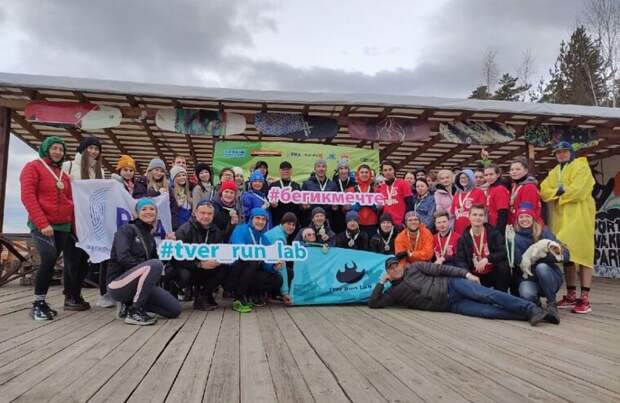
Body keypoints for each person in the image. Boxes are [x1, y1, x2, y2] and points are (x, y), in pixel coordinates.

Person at [368, 258, 548, 326]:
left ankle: (530, 308)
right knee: (487, 312)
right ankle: (529, 315)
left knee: (486, 295)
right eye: (391, 268)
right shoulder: (393, 292)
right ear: (388, 272)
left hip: (452, 285)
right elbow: (374, 304)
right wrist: (381, 282)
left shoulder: (415, 267)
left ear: (401, 265)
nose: (395, 269)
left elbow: (443, 270)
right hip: (450, 305)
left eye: (396, 265)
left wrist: (467, 274)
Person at [20, 137, 76, 320]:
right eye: (54, 148)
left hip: (63, 226)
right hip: (42, 225)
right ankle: (37, 303)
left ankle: (42, 302)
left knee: (51, 262)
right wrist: (42, 223)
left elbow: (70, 200)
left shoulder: (64, 175)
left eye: (61, 149)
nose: (58, 152)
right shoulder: (33, 167)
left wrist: (72, 223)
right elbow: (28, 197)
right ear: (45, 149)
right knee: (49, 257)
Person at [540, 141, 596, 314]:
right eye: (558, 153)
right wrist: (560, 191)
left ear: (571, 152)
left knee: (584, 255)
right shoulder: (554, 171)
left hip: (580, 216)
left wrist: (558, 193)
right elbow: (544, 191)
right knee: (567, 254)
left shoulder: (582, 166)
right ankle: (571, 294)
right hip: (562, 217)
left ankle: (585, 297)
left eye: (564, 152)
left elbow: (579, 190)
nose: (561, 155)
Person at [107, 198, 181, 325]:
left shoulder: (149, 236)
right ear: (136, 213)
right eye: (144, 209)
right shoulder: (126, 230)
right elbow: (123, 257)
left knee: (174, 310)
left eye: (152, 209)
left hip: (139, 284)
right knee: (154, 264)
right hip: (118, 284)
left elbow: (158, 263)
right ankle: (134, 311)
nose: (148, 212)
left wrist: (169, 246)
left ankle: (129, 306)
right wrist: (146, 267)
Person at [63, 136, 108, 311]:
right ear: (83, 148)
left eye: (97, 149)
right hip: (73, 219)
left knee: (84, 260)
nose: (94, 152)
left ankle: (77, 293)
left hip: (91, 221)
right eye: (91, 148)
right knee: (71, 259)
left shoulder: (100, 172)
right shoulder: (69, 166)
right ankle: (69, 295)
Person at [511, 203, 569, 324]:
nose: (524, 219)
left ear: (533, 218)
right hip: (530, 278)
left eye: (527, 216)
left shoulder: (544, 233)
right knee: (526, 293)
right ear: (517, 220)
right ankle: (537, 306)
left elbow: (566, 254)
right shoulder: (514, 238)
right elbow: (517, 264)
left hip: (549, 276)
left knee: (541, 267)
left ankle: (552, 304)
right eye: (521, 217)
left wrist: (540, 259)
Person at [169, 200, 228, 311]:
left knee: (223, 268)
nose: (206, 216)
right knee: (184, 274)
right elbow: (176, 258)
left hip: (206, 266)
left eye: (209, 213)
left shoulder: (216, 231)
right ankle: (174, 289)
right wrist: (199, 264)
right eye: (202, 213)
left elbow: (220, 251)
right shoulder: (184, 230)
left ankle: (203, 295)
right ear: (195, 213)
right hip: (187, 266)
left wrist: (218, 260)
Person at [228, 208, 284, 313]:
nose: (260, 221)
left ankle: (251, 294)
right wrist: (254, 253)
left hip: (250, 272)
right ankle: (238, 299)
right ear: (251, 219)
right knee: (252, 260)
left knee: (277, 279)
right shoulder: (241, 229)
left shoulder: (263, 238)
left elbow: (269, 258)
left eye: (263, 219)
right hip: (234, 271)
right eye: (257, 218)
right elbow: (238, 246)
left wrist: (274, 266)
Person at [455, 204, 511, 292]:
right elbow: (460, 261)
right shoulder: (463, 239)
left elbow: (503, 252)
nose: (478, 218)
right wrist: (468, 274)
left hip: (492, 272)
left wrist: (487, 259)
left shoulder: (494, 233)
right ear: (469, 216)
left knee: (503, 266)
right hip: (475, 275)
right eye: (474, 215)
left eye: (481, 215)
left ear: (485, 217)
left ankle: (501, 296)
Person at [264, 212, 298, 305]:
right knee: (283, 274)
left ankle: (274, 294)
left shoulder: (279, 232)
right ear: (282, 223)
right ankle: (268, 295)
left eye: (293, 225)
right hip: (263, 267)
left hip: (267, 264)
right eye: (288, 224)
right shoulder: (279, 238)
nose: (291, 227)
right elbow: (281, 265)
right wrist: (285, 293)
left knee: (289, 272)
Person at [375, 159, 414, 227]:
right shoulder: (380, 187)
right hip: (386, 224)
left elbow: (410, 204)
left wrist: (405, 221)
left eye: (390, 169)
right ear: (382, 172)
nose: (388, 172)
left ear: (394, 170)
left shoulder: (403, 183)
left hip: (400, 223)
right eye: (385, 170)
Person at [346, 164, 379, 237]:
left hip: (372, 224)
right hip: (356, 223)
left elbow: (381, 208)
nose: (364, 174)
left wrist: (373, 206)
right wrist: (356, 206)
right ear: (358, 174)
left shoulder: (376, 190)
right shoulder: (351, 190)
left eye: (366, 172)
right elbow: (345, 208)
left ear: (370, 174)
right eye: (362, 172)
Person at [451, 169, 486, 235]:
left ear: (471, 178)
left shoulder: (479, 192)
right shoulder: (457, 194)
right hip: (458, 230)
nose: (463, 179)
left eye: (466, 177)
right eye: (461, 178)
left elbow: (483, 211)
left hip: (473, 230)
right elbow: (452, 213)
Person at [268, 161, 302, 230]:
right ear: (280, 171)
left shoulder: (296, 186)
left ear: (291, 171)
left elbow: (300, 205)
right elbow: (268, 202)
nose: (286, 171)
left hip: (293, 221)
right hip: (277, 220)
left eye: (288, 169)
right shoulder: (273, 185)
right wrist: (271, 204)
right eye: (283, 169)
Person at [509, 156, 542, 224]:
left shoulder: (529, 187)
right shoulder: (516, 186)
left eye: (518, 169)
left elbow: (527, 213)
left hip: (528, 226)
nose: (514, 172)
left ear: (526, 171)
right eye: (512, 170)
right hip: (519, 224)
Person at [301, 159, 333, 226]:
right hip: (310, 220)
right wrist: (303, 206)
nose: (321, 169)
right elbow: (300, 204)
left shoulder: (332, 184)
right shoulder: (306, 184)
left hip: (326, 221)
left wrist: (335, 207)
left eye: (323, 166)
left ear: (326, 169)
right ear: (315, 169)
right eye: (318, 166)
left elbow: (335, 206)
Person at [328, 159, 356, 234]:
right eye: (341, 168)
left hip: (350, 215)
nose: (343, 171)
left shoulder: (354, 183)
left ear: (349, 170)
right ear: (338, 170)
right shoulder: (332, 183)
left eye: (346, 168)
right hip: (336, 215)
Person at [484, 164, 510, 235]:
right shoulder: (490, 188)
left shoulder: (500, 189)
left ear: (498, 175)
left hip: (497, 228)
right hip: (491, 226)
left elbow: (503, 212)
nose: (488, 177)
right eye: (486, 175)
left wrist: (498, 232)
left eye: (491, 174)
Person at [169, 165, 192, 231]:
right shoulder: (172, 192)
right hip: (178, 225)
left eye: (183, 175)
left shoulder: (188, 192)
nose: (182, 177)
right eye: (178, 176)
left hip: (188, 224)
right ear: (174, 178)